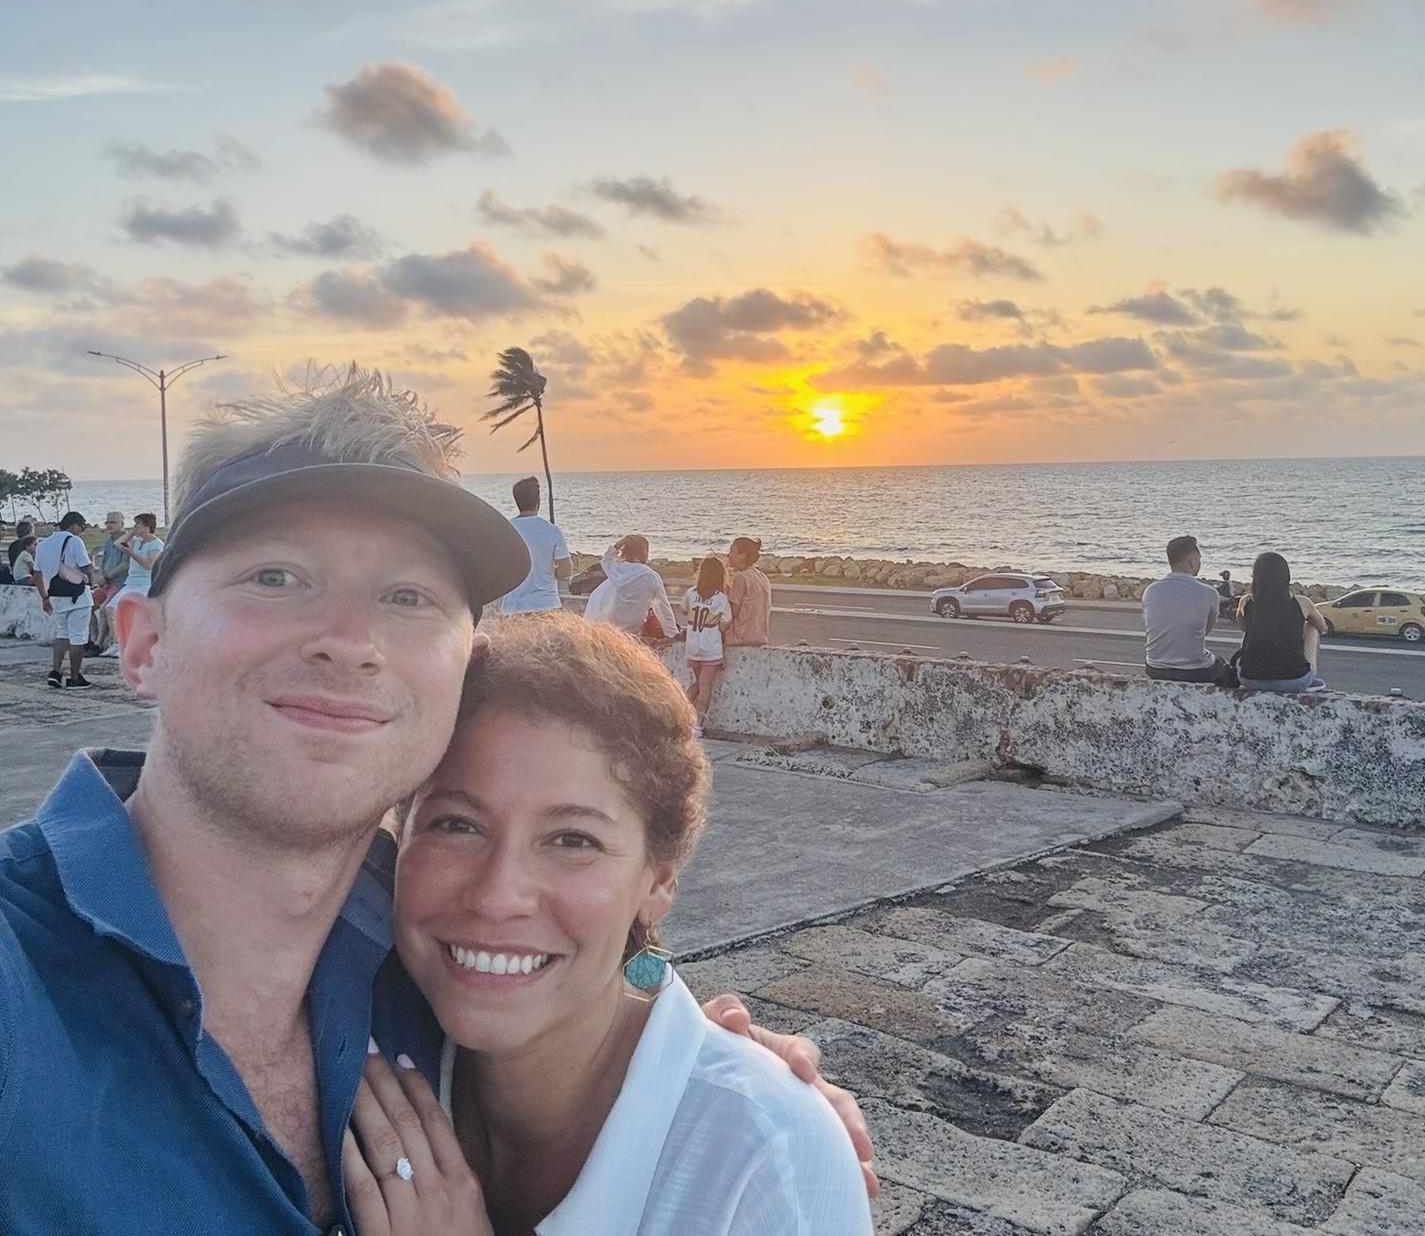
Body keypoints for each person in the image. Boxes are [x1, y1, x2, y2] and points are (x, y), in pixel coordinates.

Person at [0, 365, 873, 1233]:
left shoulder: (425, 967)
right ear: (143, 644)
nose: (351, 643)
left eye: (407, 596)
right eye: (275, 577)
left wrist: (728, 1100)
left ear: (460, 669)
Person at [346, 615, 873, 1235]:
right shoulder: (352, 1029)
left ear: (658, 882)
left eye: (573, 839)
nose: (496, 896)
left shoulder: (762, 1166)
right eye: (456, 825)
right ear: (396, 836)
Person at [1141, 534, 1230, 684]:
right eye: (1199, 559)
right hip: (1193, 670)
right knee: (1224, 667)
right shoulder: (1209, 593)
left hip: (1154, 667)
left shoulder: (1151, 590)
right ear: (1192, 561)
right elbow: (1204, 631)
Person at [1237, 551, 1329, 694]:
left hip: (1249, 679)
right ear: (1286, 578)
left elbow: (1242, 626)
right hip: (1295, 681)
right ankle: (1308, 673)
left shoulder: (1245, 602)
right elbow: (1322, 627)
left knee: (1250, 628)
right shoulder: (1302, 603)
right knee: (1312, 627)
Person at [30, 509, 95, 690]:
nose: (81, 530)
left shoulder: (42, 545)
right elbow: (86, 568)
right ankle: (74, 678)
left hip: (56, 596)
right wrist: (93, 573)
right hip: (77, 598)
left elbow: (37, 574)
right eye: (82, 527)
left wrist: (44, 597)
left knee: (62, 635)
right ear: (74, 524)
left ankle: (56, 672)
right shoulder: (74, 541)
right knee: (78, 638)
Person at [499, 475, 572, 615]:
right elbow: (565, 571)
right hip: (546, 604)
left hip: (513, 607)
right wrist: (548, 571)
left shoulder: (506, 529)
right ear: (538, 501)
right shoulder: (552, 531)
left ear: (517, 501)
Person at [584, 534, 679, 640]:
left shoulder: (615, 569)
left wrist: (618, 544)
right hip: (626, 634)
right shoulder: (651, 576)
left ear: (624, 553)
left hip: (596, 626)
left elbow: (606, 559)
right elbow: (664, 609)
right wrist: (673, 635)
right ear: (645, 554)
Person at [682, 555, 733, 738]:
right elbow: (725, 623)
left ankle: (680, 716)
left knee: (697, 683)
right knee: (705, 686)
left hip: (693, 643)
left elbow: (683, 609)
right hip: (710, 645)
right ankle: (697, 725)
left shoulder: (691, 593)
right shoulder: (721, 598)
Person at [102, 511, 165, 655]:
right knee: (110, 609)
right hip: (130, 583)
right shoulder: (137, 542)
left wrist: (131, 553)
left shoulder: (156, 544)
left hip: (145, 584)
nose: (136, 528)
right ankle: (118, 644)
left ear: (148, 526)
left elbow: (149, 564)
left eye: (139, 525)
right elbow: (118, 543)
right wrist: (131, 533)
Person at [90, 509, 131, 652]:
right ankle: (93, 638)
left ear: (122, 523)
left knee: (103, 609)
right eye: (108, 522)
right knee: (88, 603)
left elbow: (125, 564)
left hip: (120, 583)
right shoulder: (109, 542)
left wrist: (107, 576)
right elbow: (103, 562)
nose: (110, 525)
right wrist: (101, 576)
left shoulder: (127, 540)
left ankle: (99, 643)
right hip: (106, 583)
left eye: (113, 522)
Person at [723, 535, 771, 648]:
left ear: (743, 555)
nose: (728, 555)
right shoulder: (762, 576)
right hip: (759, 636)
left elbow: (731, 613)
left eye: (732, 551)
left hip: (740, 637)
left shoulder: (741, 578)